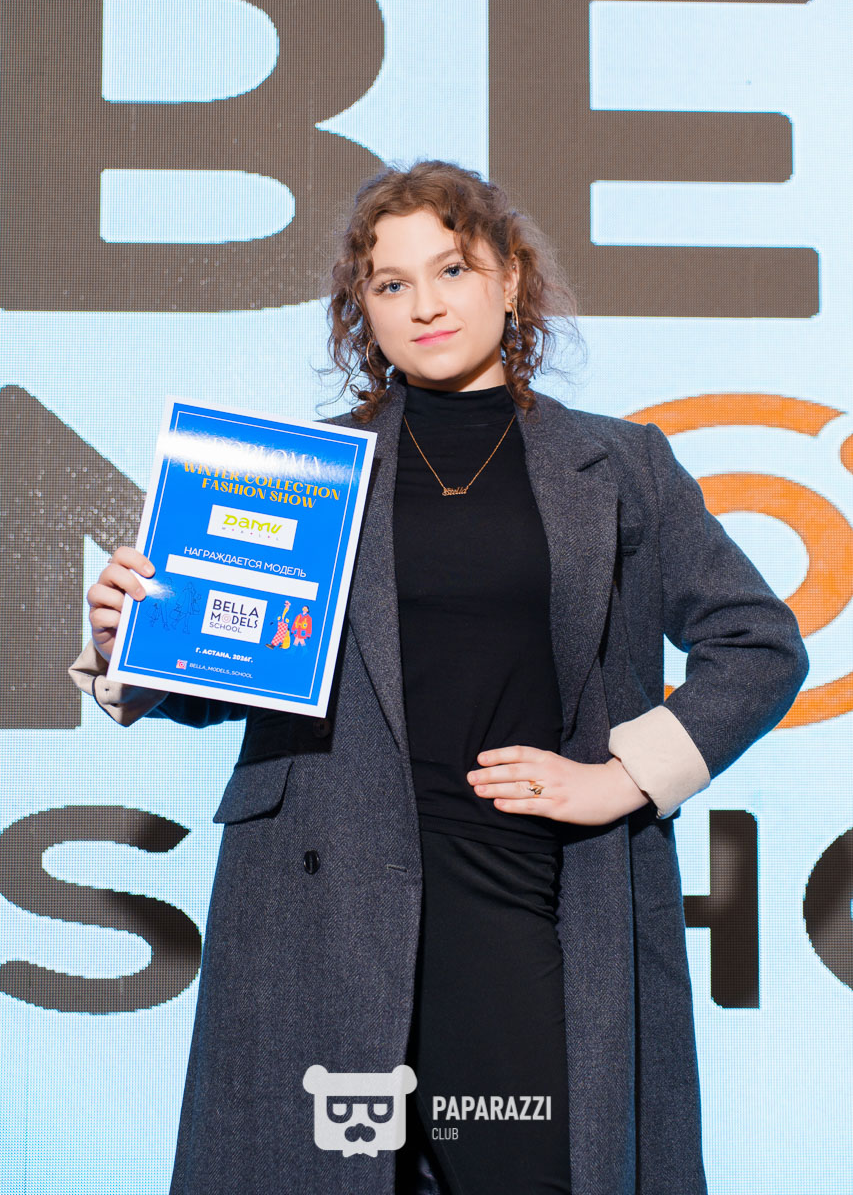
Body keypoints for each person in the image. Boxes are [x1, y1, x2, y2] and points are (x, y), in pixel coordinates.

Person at [70, 161, 808, 1195]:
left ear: (510, 278)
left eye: (451, 269)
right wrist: (133, 638)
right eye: (391, 283)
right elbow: (224, 671)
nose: (424, 304)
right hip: (323, 901)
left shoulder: (622, 465)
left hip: (532, 890)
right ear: (361, 312)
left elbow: (758, 641)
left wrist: (621, 777)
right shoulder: (301, 476)